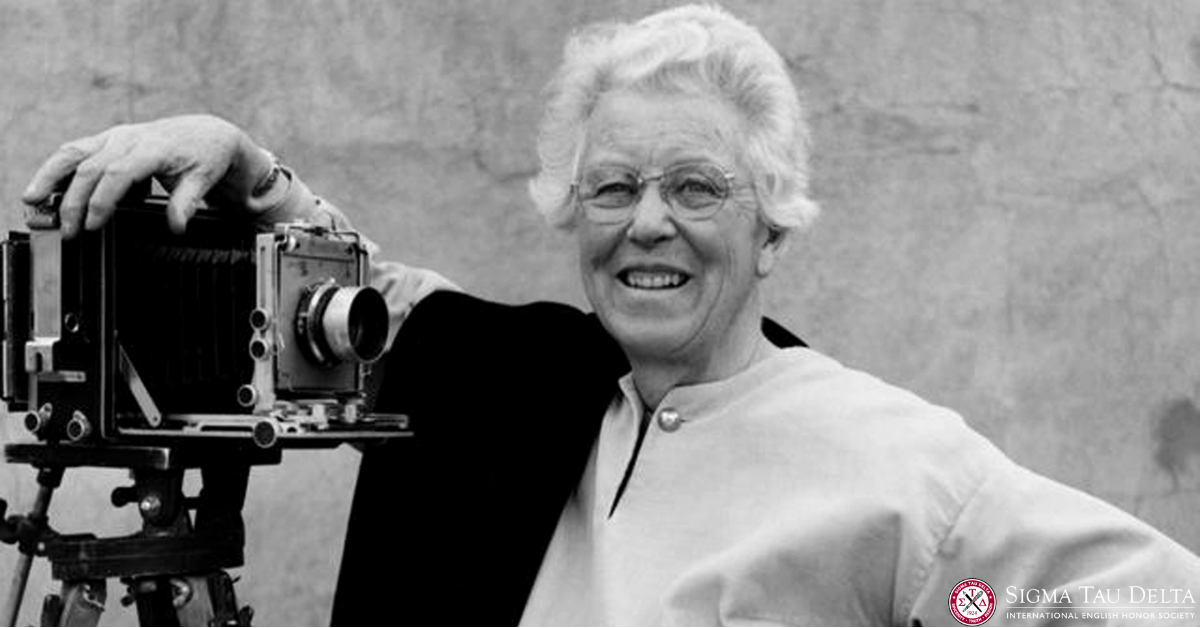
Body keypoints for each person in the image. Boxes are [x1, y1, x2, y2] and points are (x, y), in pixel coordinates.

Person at [20, 4, 1200, 626]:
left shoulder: (895, 465)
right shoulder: (513, 385)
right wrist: (255, 170)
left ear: (773, 226)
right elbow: (364, 308)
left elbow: (1153, 602)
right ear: (571, 213)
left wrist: (963, 607)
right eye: (614, 188)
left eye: (697, 188)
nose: (648, 223)